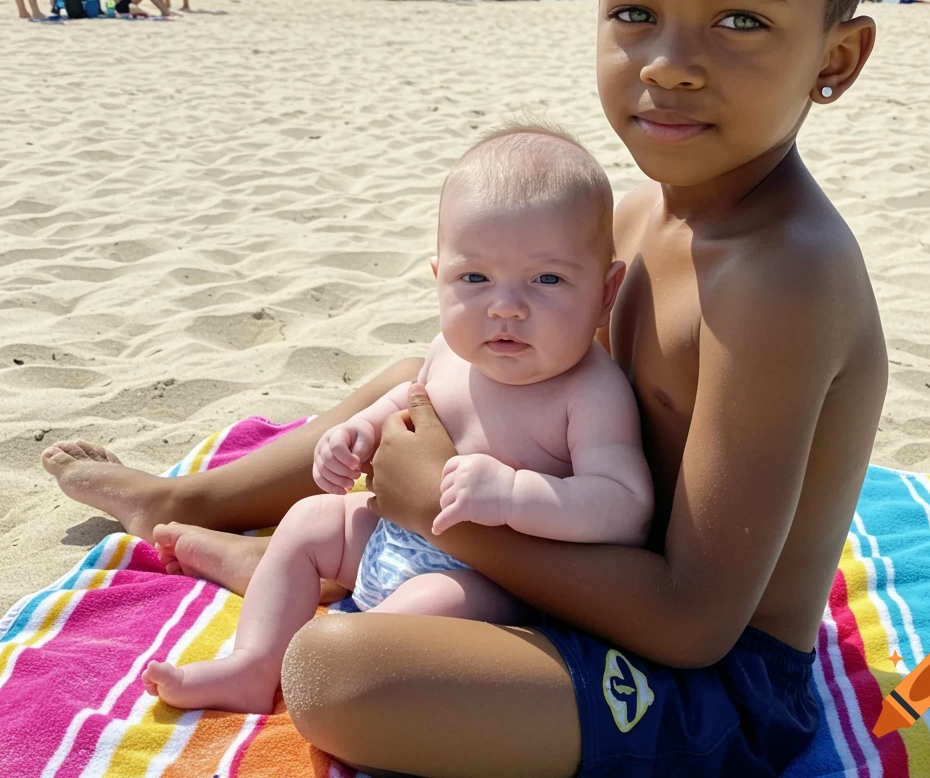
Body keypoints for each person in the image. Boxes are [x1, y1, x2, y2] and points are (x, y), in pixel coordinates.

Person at [41, 0, 888, 777]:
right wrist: (420, 442)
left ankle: (255, 548)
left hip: (712, 685)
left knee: (339, 675)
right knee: (442, 361)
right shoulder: (629, 212)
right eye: (631, 12)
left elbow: (698, 621)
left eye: (739, 19)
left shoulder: (783, 276)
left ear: (835, 58)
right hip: (565, 566)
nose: (667, 60)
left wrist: (427, 498)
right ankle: (196, 508)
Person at [142, 126, 654, 713]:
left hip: (489, 580)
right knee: (310, 520)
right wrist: (357, 433)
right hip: (394, 534)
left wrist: (515, 494)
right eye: (475, 278)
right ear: (440, 277)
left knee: (412, 619)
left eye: (548, 279)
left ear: (606, 291)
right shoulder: (449, 352)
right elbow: (406, 406)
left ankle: (344, 660)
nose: (506, 305)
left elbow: (625, 508)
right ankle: (252, 666)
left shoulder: (589, 392)